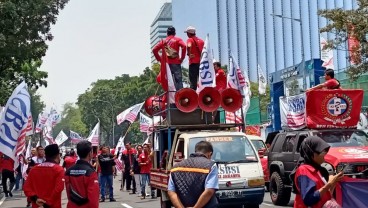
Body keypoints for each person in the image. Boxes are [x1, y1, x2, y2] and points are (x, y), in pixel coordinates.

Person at [293, 136, 344, 208]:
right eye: (322, 153)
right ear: (311, 153)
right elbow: (308, 200)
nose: (324, 157)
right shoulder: (303, 170)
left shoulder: (317, 170)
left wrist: (333, 182)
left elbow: (324, 196)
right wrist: (329, 184)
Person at [168, 141, 219, 208]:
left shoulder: (176, 167)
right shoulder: (211, 166)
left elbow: (171, 192)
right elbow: (209, 191)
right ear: (210, 154)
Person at [24, 144, 65, 208]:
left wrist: (36, 199)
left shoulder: (34, 169)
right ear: (58, 155)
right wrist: (47, 203)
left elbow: (26, 188)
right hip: (52, 205)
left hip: (37, 204)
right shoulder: (59, 170)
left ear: (45, 155)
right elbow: (58, 189)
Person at [65, 141, 99, 208]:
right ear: (90, 153)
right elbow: (93, 199)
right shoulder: (91, 172)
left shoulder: (68, 171)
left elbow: (69, 193)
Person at [185, 26, 204, 90]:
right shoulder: (201, 41)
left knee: (193, 82)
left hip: (193, 63)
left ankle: (193, 96)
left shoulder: (189, 40)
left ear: (189, 33)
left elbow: (189, 45)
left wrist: (189, 53)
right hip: (201, 63)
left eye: (187, 33)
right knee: (202, 81)